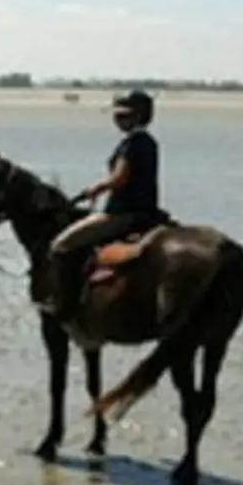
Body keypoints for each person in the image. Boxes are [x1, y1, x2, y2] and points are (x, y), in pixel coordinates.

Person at [44, 88, 163, 321]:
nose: (116, 120)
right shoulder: (149, 142)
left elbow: (120, 178)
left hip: (122, 213)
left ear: (137, 116)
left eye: (122, 115)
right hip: (148, 211)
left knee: (60, 246)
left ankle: (63, 304)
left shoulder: (132, 144)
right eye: (117, 115)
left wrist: (96, 188)